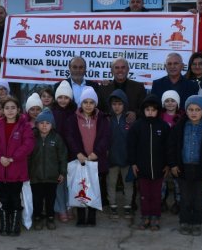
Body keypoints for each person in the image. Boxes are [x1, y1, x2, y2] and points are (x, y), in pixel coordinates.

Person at [168, 95, 202, 236]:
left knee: (197, 198)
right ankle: (184, 221)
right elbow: (172, 146)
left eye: (197, 109)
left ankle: (196, 223)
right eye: (190, 109)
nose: (194, 113)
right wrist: (173, 164)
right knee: (185, 197)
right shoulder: (180, 126)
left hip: (201, 169)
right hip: (183, 168)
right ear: (186, 110)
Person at [65, 87, 112, 227]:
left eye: (91, 102)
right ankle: (81, 217)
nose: (88, 105)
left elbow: (106, 137)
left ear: (96, 104)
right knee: (80, 187)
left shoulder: (102, 118)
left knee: (94, 188)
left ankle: (92, 216)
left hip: (95, 159)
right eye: (85, 102)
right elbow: (70, 137)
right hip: (79, 159)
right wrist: (78, 153)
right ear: (81, 103)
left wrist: (96, 153)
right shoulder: (73, 119)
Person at [0, 96, 35, 236]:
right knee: (3, 199)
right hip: (1, 169)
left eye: (13, 108)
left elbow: (28, 145)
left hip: (17, 170)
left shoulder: (25, 126)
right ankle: (4, 224)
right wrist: (0, 157)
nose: (10, 111)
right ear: (2, 110)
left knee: (15, 198)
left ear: (18, 110)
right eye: (7, 108)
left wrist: (13, 158)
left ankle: (15, 225)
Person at [128, 94, 170, 231]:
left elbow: (168, 147)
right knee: (145, 195)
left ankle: (155, 217)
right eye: (147, 109)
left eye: (153, 109)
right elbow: (131, 146)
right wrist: (133, 163)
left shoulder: (163, 126)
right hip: (142, 168)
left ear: (158, 111)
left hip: (159, 169)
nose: (150, 112)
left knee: (157, 195)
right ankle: (145, 216)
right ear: (143, 110)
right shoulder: (137, 126)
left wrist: (168, 164)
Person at [28, 108, 68, 231]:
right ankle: (38, 218)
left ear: (52, 125)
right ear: (37, 124)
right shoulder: (32, 137)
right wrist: (27, 172)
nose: (44, 126)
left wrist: (62, 172)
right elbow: (27, 156)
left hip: (52, 176)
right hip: (36, 176)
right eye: (41, 123)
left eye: (47, 123)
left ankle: (50, 218)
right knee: (37, 200)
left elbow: (63, 156)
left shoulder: (56, 138)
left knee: (50, 199)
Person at [51, 80, 76, 222]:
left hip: (72, 152)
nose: (63, 100)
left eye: (66, 97)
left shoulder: (75, 112)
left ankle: (69, 206)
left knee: (70, 182)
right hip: (56, 153)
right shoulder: (52, 112)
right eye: (60, 97)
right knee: (59, 181)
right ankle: (60, 208)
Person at [107, 89, 132, 220]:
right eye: (114, 104)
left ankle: (128, 207)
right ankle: (113, 206)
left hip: (127, 159)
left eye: (120, 104)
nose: (117, 107)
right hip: (111, 159)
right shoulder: (107, 120)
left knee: (128, 184)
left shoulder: (130, 120)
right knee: (111, 183)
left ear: (125, 105)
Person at [97, 57, 147, 122]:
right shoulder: (103, 88)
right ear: (112, 70)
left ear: (128, 69)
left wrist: (135, 114)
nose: (120, 70)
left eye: (123, 67)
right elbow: (98, 110)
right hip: (109, 129)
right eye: (117, 68)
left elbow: (145, 108)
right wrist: (106, 117)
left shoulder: (139, 87)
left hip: (132, 129)